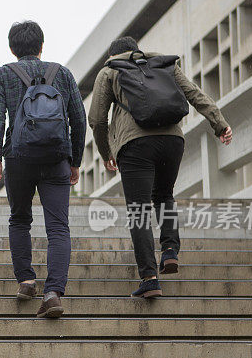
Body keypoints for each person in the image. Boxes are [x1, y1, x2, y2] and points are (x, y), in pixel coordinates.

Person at [88, 36, 233, 299]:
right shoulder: (164, 64)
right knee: (164, 195)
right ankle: (169, 251)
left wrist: (105, 151)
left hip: (135, 145)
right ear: (137, 51)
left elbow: (97, 119)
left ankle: (150, 278)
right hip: (172, 141)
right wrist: (219, 123)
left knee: (139, 210)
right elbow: (194, 94)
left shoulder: (109, 71)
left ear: (114, 54)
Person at [0, 21, 86, 318]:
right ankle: (53, 292)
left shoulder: (3, 74)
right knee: (58, 226)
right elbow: (78, 119)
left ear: (12, 48)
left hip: (18, 157)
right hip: (56, 156)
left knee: (19, 219)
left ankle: (27, 280)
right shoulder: (62, 74)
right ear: (41, 46)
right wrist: (75, 159)